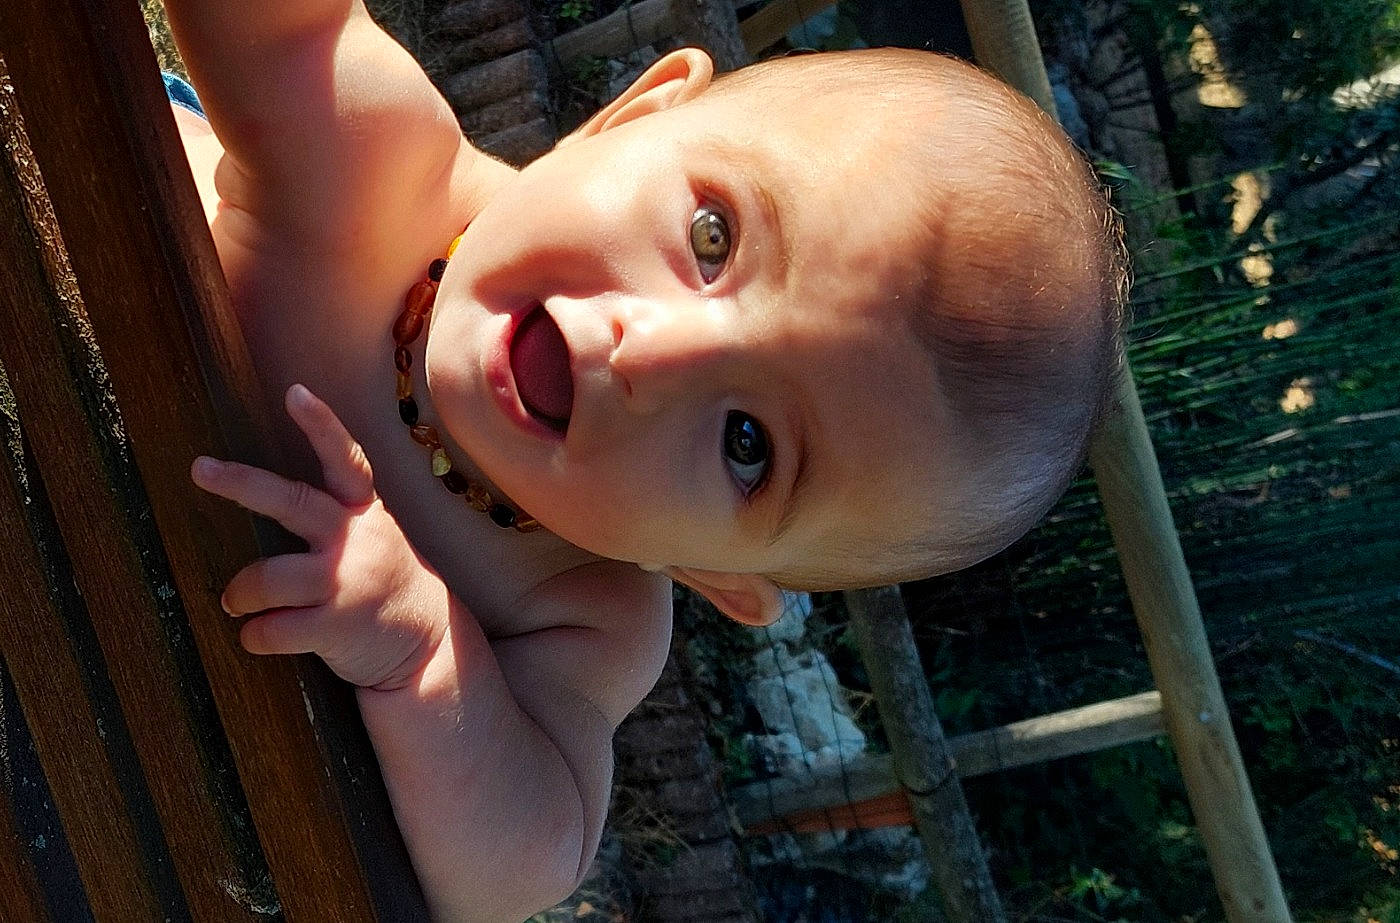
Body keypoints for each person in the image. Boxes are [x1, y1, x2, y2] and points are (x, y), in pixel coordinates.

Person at [170, 2, 1127, 918]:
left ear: (721, 573)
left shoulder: (585, 612)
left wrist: (421, 651)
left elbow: (520, 868)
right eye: (714, 237)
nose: (652, 356)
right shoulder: (380, 165)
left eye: (747, 444)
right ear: (635, 112)